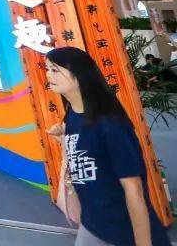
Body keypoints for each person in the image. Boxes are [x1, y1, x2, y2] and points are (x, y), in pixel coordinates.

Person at [45, 46, 169, 246]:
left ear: (79, 74)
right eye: (47, 69)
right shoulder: (73, 114)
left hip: (123, 231)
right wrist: (65, 140)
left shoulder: (110, 125)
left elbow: (134, 190)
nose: (48, 75)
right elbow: (91, 155)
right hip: (92, 223)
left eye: (55, 70)